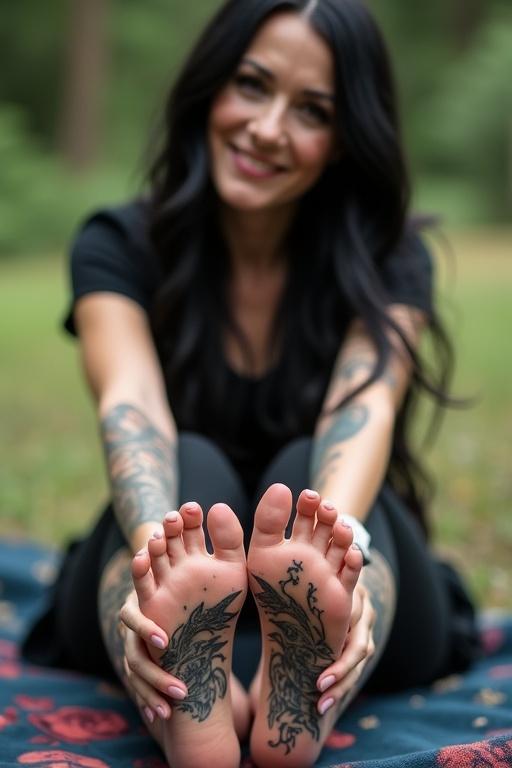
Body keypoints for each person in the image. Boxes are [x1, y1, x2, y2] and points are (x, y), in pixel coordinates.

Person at [22, 1, 480, 766]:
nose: (268, 128)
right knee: (190, 480)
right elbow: (130, 403)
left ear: (344, 140)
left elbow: (361, 410)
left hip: (346, 556)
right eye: (252, 85)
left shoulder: (388, 258)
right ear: (210, 88)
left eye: (311, 110)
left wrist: (347, 553)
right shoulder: (118, 245)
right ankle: (196, 686)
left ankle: (294, 681)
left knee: (308, 490)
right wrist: (152, 564)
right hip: (171, 532)